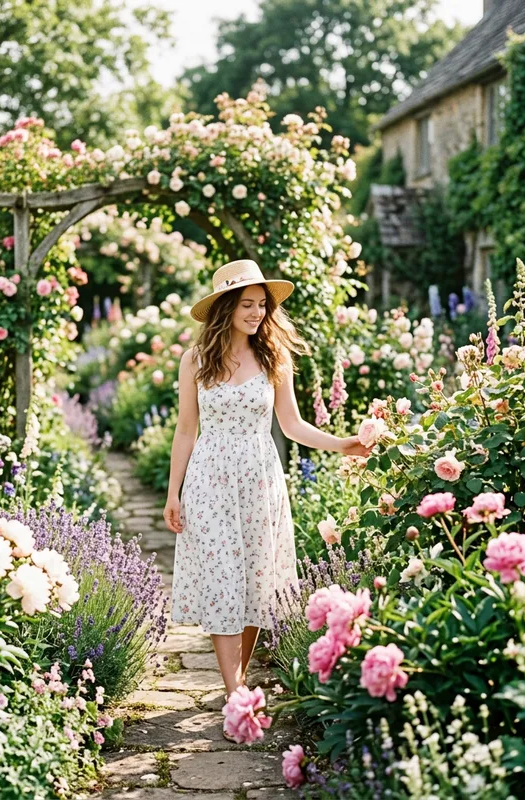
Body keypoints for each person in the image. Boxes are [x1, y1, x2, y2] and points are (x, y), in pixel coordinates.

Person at [162, 258, 375, 742]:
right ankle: (235, 692)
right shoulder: (195, 360)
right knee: (222, 577)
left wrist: (342, 444)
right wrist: (173, 492)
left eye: (262, 305)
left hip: (260, 479)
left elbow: (292, 425)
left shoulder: (274, 357)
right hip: (209, 480)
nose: (257, 313)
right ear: (226, 307)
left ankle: (237, 682)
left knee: (256, 580)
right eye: (247, 304)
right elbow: (186, 430)